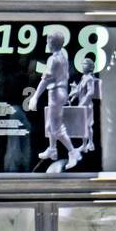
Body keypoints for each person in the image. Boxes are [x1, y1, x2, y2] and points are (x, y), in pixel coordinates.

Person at [26, 29, 82, 170]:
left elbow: (45, 80)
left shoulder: (53, 59)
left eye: (47, 41)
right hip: (59, 92)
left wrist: (35, 97)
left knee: (56, 128)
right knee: (50, 125)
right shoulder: (63, 56)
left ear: (51, 43)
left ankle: (73, 152)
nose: (46, 43)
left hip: (56, 93)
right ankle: (52, 148)